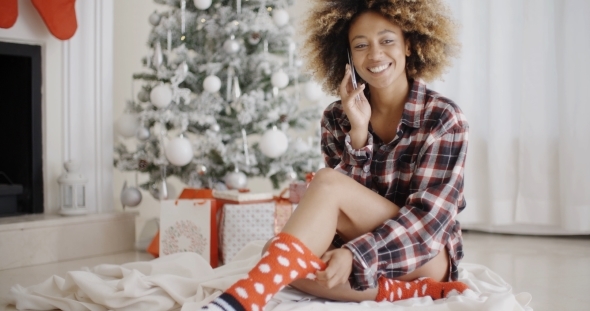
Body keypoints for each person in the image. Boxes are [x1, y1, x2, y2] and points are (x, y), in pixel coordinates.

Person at [204, 0, 468, 310]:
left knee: (323, 192)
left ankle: (241, 300)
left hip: (425, 252)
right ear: (347, 56)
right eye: (360, 45)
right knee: (275, 252)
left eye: (387, 41)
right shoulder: (336, 118)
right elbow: (341, 209)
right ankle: (403, 292)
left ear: (408, 45)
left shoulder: (443, 118)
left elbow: (428, 222)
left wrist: (358, 254)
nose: (375, 54)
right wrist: (358, 133)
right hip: (368, 244)